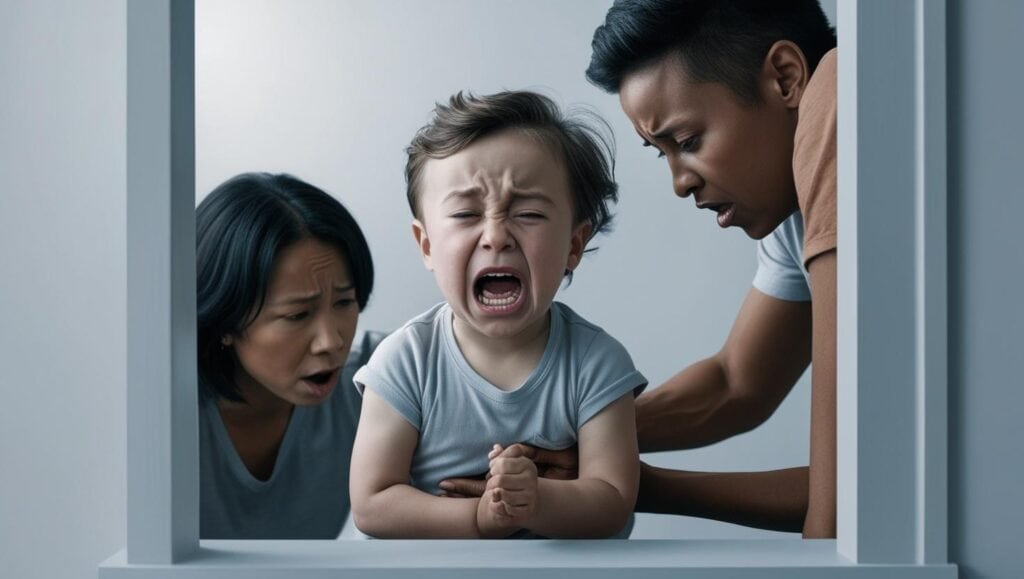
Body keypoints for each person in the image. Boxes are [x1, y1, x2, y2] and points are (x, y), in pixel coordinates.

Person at [585, 0, 839, 537]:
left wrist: (621, 479)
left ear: (786, 78)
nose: (681, 182)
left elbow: (845, 500)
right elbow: (736, 383)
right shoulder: (790, 213)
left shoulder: (839, 103)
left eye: (687, 142)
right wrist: (584, 436)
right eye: (663, 153)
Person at [348, 91, 647, 539]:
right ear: (426, 245)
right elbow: (372, 504)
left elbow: (613, 502)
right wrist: (479, 518)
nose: (496, 236)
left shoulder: (596, 363)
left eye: (528, 213)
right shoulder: (405, 361)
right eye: (466, 213)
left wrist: (537, 502)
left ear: (574, 244)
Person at [196, 172, 383, 539]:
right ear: (225, 321)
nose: (331, 341)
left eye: (344, 302)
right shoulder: (163, 416)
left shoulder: (378, 378)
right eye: (297, 315)